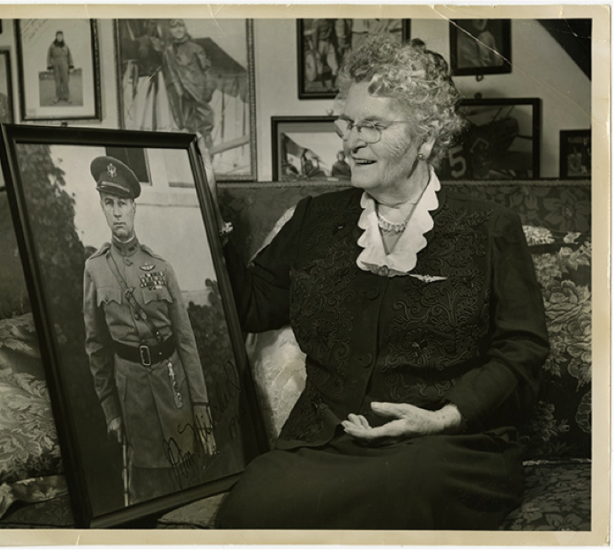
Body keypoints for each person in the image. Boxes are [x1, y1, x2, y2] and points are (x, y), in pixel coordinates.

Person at [209, 36, 549, 529]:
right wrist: (208, 222)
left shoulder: (489, 228)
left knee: (406, 490)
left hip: (442, 448)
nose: (351, 142)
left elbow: (522, 347)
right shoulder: (314, 220)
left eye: (373, 125)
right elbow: (251, 306)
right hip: (323, 444)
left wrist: (446, 416)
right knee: (248, 510)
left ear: (426, 138)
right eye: (347, 123)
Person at [82, 156, 216, 505]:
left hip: (174, 390)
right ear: (102, 206)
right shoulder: (95, 270)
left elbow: (186, 342)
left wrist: (200, 406)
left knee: (185, 479)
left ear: (133, 207)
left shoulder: (161, 267)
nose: (116, 213)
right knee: (144, 491)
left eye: (122, 203)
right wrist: (110, 409)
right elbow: (96, 346)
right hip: (132, 399)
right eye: (109, 203)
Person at [158, 19, 216, 152]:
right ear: (170, 31)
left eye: (181, 26)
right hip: (180, 92)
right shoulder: (168, 51)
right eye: (174, 27)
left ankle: (208, 149)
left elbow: (207, 70)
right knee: (186, 124)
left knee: (204, 122)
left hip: (197, 89)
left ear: (185, 29)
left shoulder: (195, 48)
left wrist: (208, 88)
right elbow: (170, 72)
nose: (178, 30)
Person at [46, 31, 74, 104]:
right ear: (56, 37)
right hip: (56, 65)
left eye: (61, 36)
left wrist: (70, 66)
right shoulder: (52, 46)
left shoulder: (66, 46)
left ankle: (66, 96)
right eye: (58, 36)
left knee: (65, 81)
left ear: (63, 37)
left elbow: (70, 56)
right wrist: (49, 65)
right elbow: (49, 56)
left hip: (65, 65)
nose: (59, 37)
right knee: (57, 81)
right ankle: (58, 96)